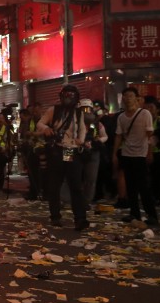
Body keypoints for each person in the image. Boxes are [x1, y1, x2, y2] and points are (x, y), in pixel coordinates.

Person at [37, 84, 90, 231]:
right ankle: (55, 216)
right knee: (54, 185)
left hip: (70, 151)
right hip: (56, 150)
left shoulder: (79, 113)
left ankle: (80, 219)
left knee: (75, 185)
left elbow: (82, 130)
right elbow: (40, 123)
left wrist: (81, 141)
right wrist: (46, 129)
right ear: (61, 96)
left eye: (71, 96)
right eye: (66, 95)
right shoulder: (53, 110)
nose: (68, 98)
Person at [112, 86, 158, 225]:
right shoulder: (121, 117)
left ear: (137, 98)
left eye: (130, 96)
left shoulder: (145, 114)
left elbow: (150, 134)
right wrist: (114, 154)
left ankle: (152, 215)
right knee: (130, 186)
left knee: (143, 186)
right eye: (125, 96)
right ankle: (134, 214)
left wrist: (149, 152)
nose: (127, 98)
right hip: (127, 154)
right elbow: (119, 136)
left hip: (141, 154)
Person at [78, 99, 108, 207]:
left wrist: (97, 141)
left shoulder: (97, 124)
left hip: (92, 153)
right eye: (83, 110)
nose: (86, 112)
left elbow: (105, 136)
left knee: (90, 178)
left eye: (88, 109)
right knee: (70, 176)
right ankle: (67, 199)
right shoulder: (72, 122)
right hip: (73, 152)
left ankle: (86, 201)